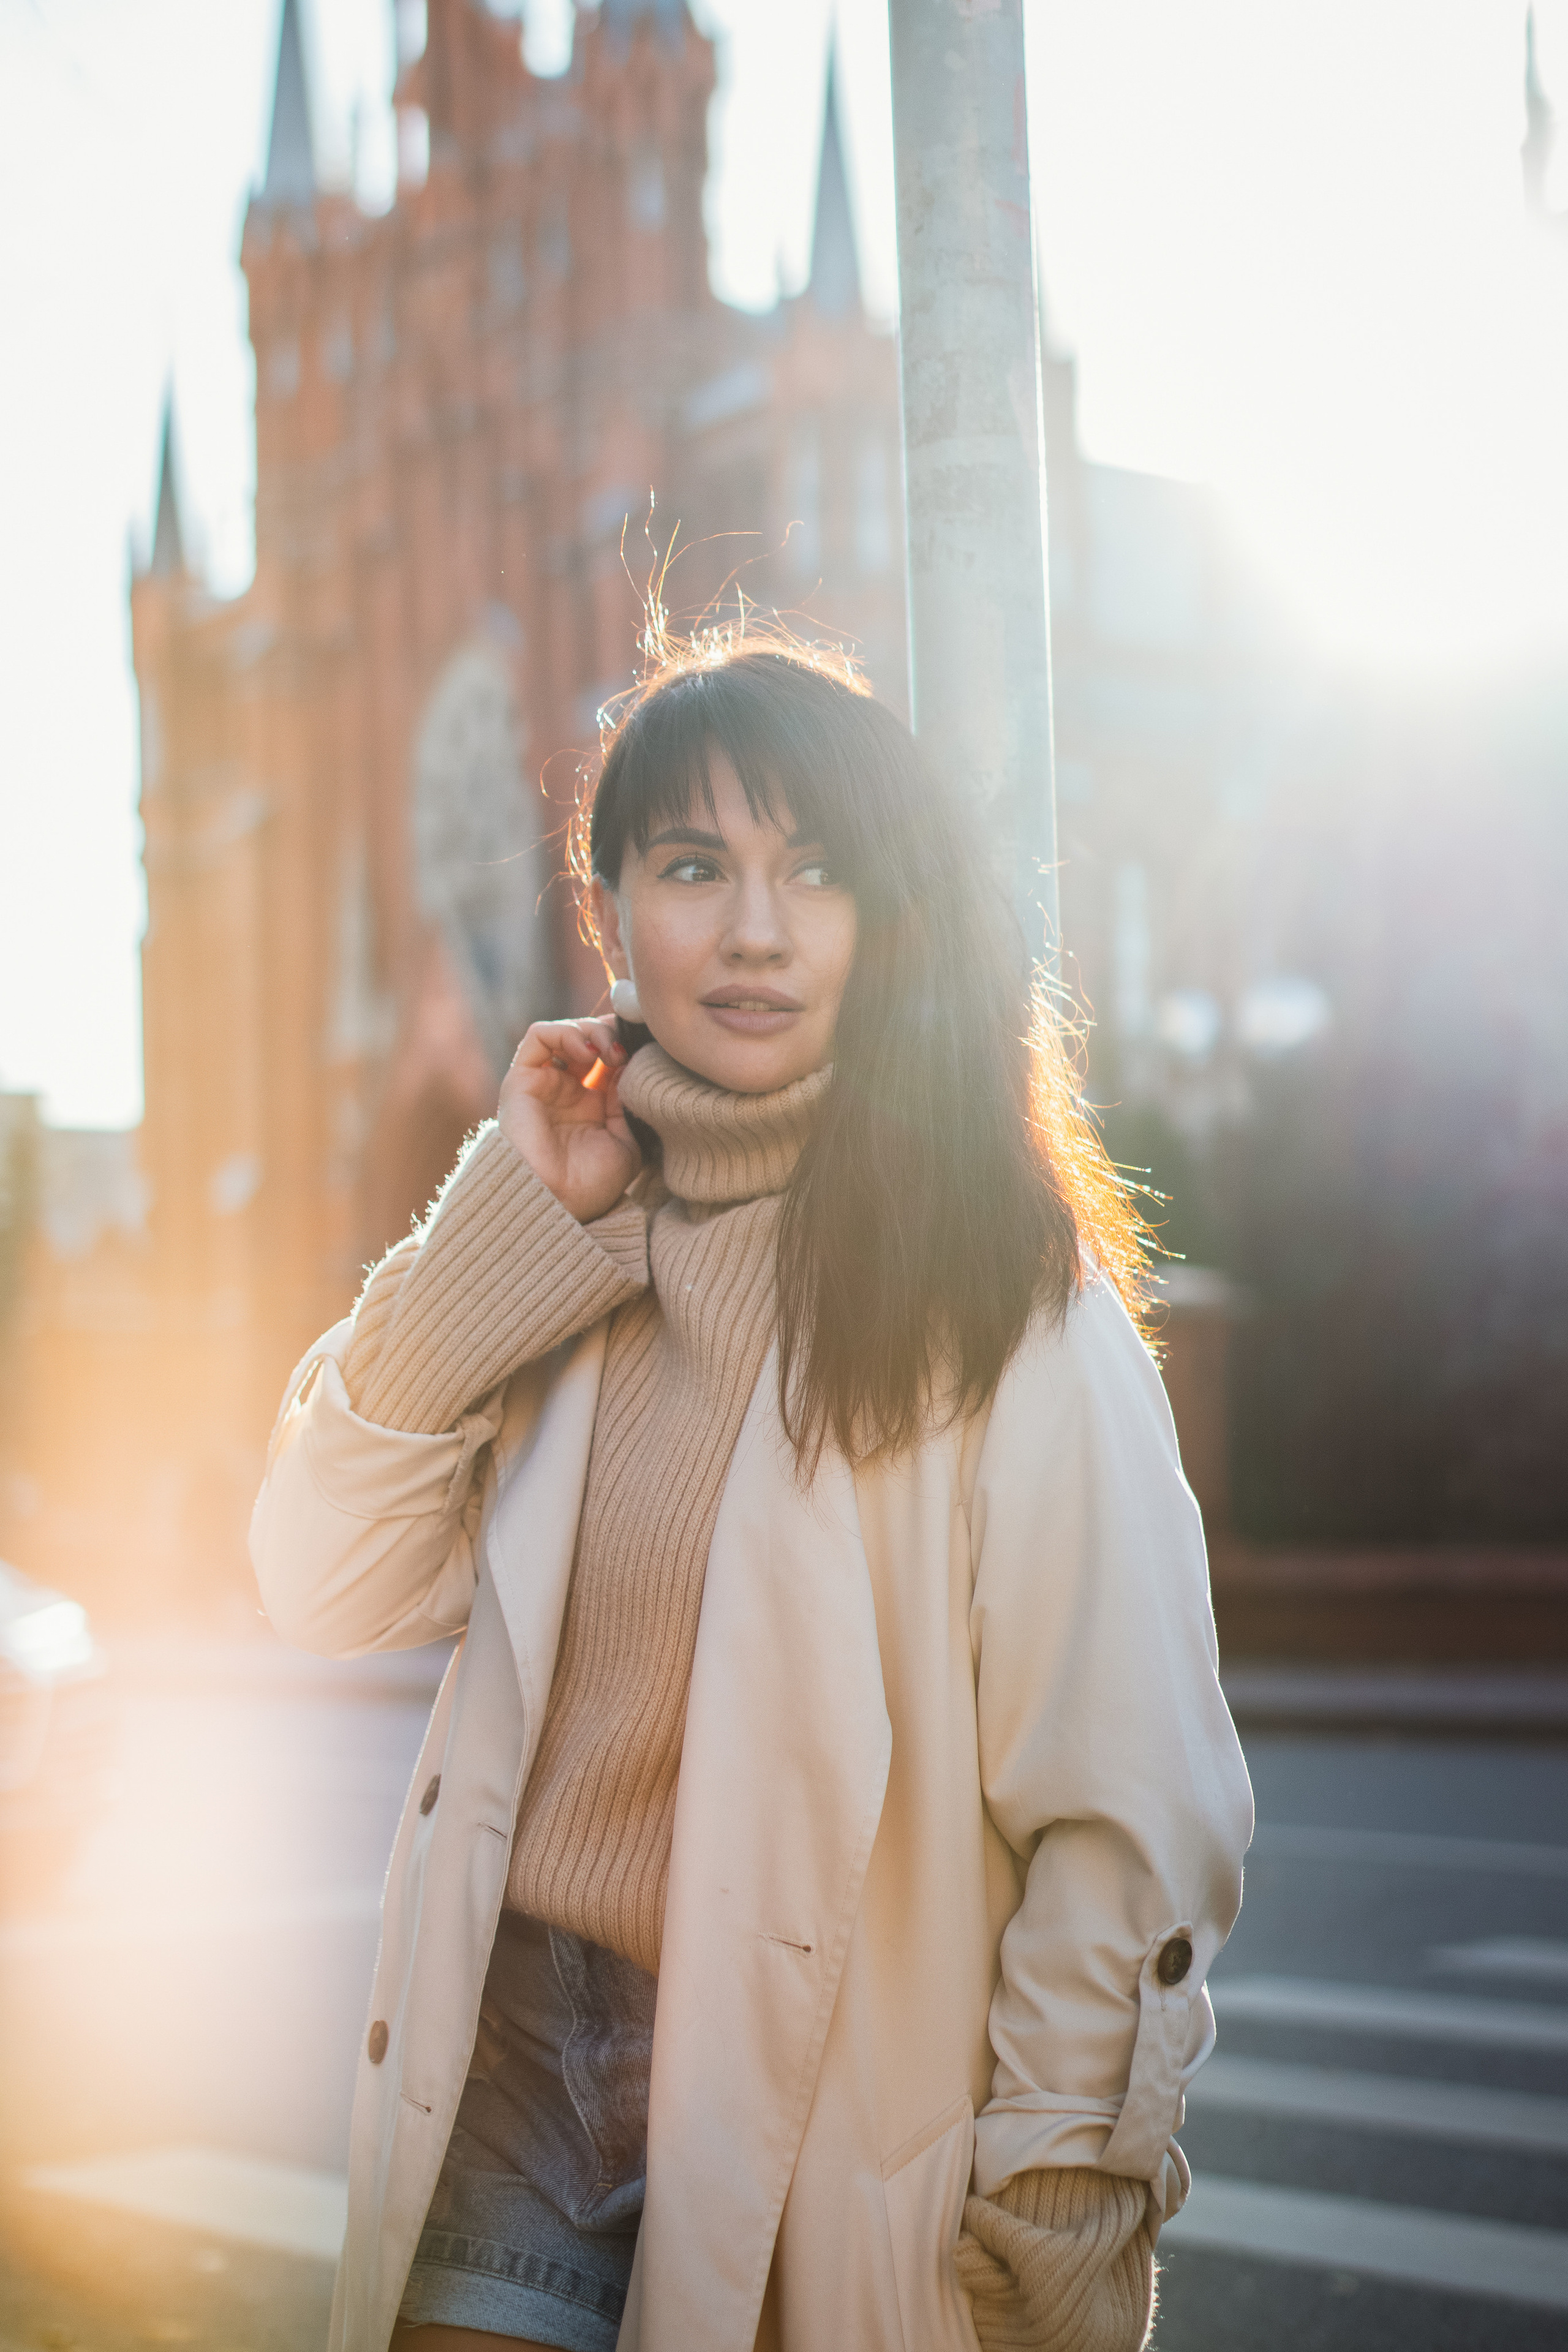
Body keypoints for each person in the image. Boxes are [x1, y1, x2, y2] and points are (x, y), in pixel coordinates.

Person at [251, 636, 1253, 2352]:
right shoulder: (568, 1256)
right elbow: (317, 1574)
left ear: (891, 925)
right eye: (696, 868)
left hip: (827, 2093)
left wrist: (1063, 2188)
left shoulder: (1009, 1308)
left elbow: (1129, 1803)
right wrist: (510, 1213)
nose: (760, 930)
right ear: (613, 910)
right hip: (516, 2065)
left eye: (818, 872)